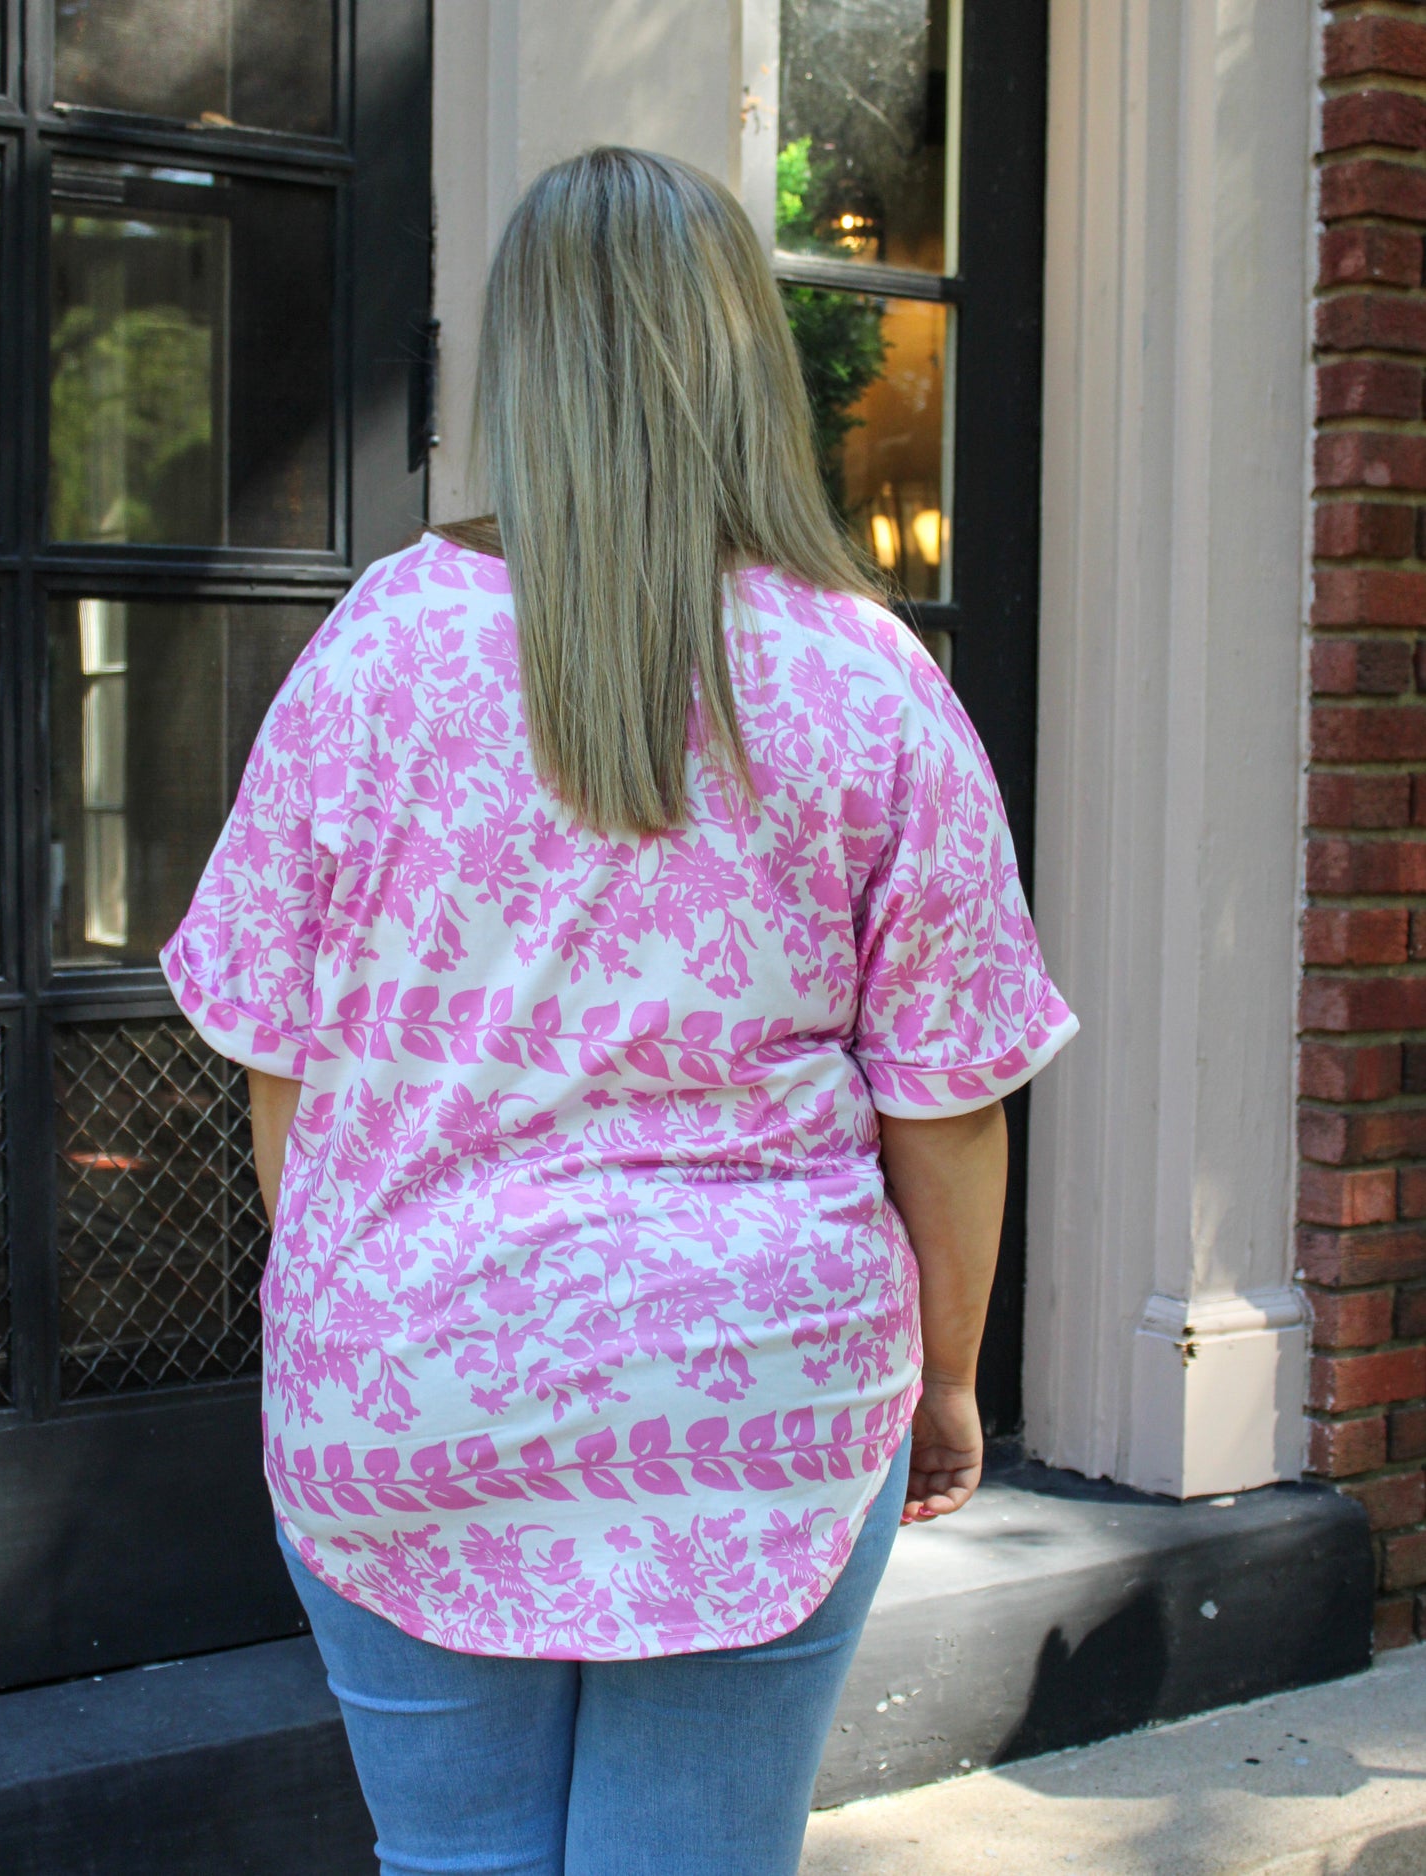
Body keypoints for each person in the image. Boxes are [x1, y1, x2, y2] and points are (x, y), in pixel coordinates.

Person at [161, 145, 1076, 1876]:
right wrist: (947, 1382)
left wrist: (368, 1299)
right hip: (759, 1395)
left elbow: (281, 1060)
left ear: (523, 366)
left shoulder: (379, 645)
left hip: (411, 1380)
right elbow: (949, 1103)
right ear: (742, 357)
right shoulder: (864, 674)